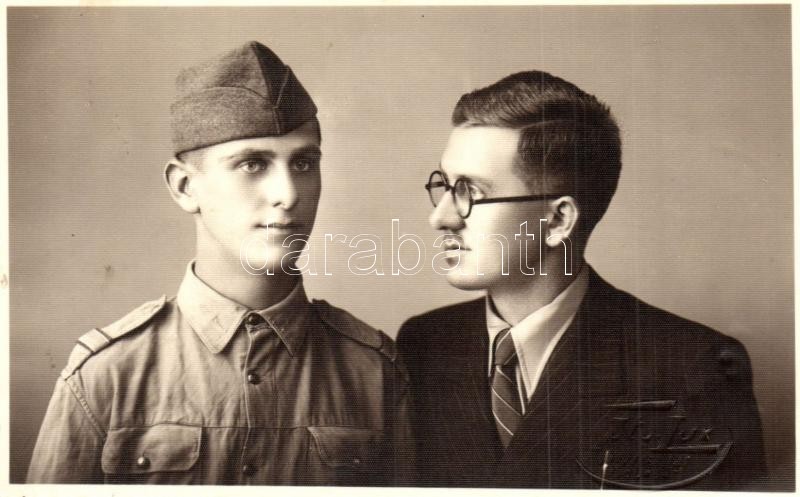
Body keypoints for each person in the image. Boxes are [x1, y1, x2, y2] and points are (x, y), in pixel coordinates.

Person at [27, 41, 413, 485]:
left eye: (304, 163)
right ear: (185, 187)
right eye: (252, 164)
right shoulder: (107, 375)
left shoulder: (373, 372)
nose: (288, 194)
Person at [396, 71, 767, 490]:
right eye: (445, 186)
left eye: (470, 192)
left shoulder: (692, 367)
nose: (440, 217)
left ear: (558, 220)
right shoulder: (423, 344)